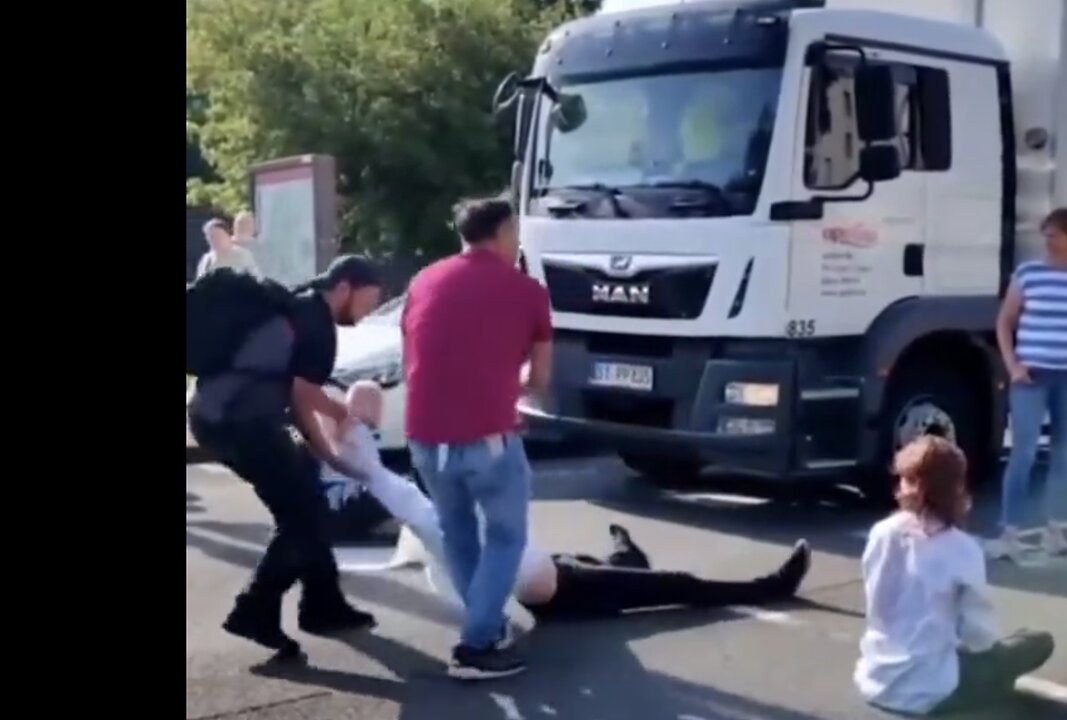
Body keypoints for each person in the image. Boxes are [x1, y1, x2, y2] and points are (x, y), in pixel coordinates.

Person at [328, 381, 812, 638]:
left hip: (557, 574)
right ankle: (773, 586)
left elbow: (386, 474)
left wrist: (353, 436)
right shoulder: (435, 521)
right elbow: (385, 481)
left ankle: (626, 554)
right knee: (675, 586)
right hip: (565, 596)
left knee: (601, 567)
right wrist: (350, 445)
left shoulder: (445, 504)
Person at [188, 255, 384, 660]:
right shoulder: (315, 321)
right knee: (304, 515)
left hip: (218, 414)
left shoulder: (297, 305)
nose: (365, 313)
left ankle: (323, 603)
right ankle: (255, 609)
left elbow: (296, 393)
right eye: (368, 300)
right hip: (240, 422)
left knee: (305, 500)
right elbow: (303, 397)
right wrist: (335, 449)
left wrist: (323, 445)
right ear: (345, 287)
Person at [401, 195, 553, 680]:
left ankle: (484, 625)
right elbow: (541, 379)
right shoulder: (526, 290)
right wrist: (510, 380)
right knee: (506, 536)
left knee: (458, 533)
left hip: (423, 436)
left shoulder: (423, 280)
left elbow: (413, 354)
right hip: (486, 437)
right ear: (504, 233)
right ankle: (477, 645)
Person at [854, 436, 1054, 716]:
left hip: (877, 676)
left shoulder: (881, 533)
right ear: (955, 489)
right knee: (1036, 641)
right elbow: (978, 634)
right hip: (932, 687)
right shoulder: (962, 549)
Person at [990, 208, 1067, 559]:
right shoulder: (1028, 274)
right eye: (1046, 233)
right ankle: (1010, 531)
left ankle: (1054, 530)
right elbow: (1005, 322)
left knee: (1063, 454)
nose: (1049, 240)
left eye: (1056, 234)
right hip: (1031, 375)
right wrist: (1013, 365)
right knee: (1024, 452)